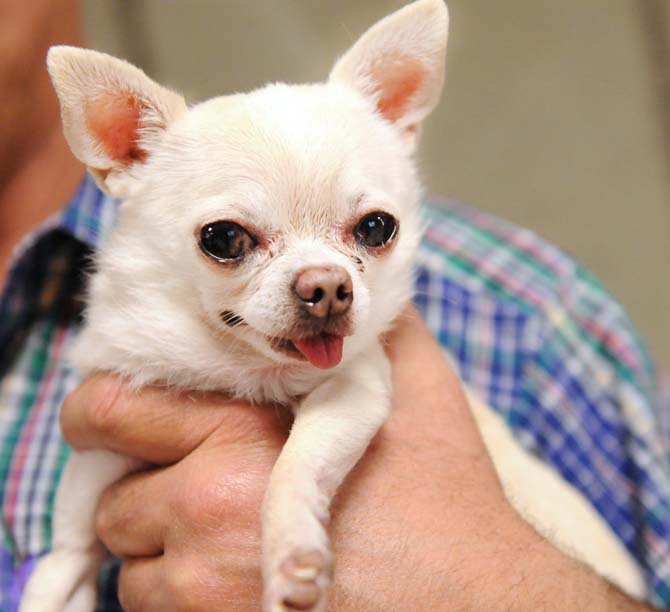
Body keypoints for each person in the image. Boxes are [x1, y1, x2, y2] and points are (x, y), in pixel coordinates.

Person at [1, 2, 668, 611]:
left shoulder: (527, 319)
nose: (323, 286)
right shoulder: (134, 313)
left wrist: (479, 583)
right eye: (230, 242)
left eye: (369, 231)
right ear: (120, 145)